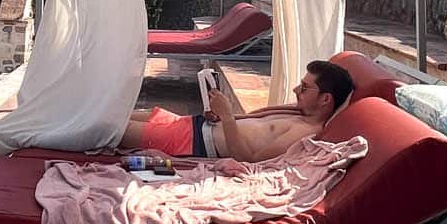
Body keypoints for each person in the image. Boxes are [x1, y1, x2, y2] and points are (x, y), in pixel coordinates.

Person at [118, 59, 354, 163]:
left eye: (304, 87)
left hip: (192, 141)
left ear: (325, 100)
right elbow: (250, 120)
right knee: (118, 115)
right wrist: (220, 115)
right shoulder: (298, 113)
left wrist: (228, 116)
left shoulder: (303, 132)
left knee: (114, 129)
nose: (295, 89)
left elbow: (248, 160)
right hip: (193, 124)